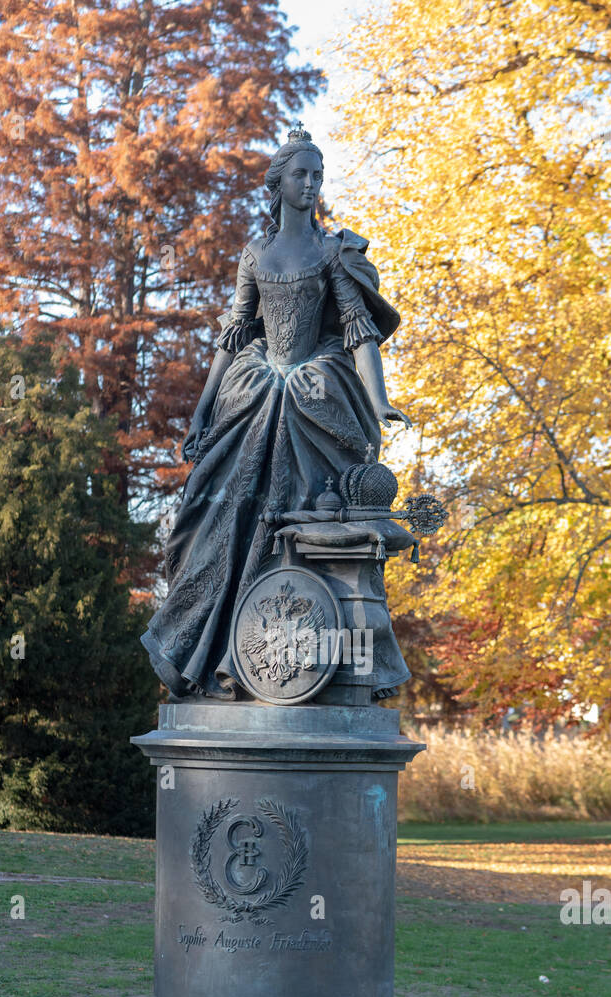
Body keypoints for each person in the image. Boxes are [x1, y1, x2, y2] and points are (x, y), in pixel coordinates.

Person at [141, 123, 411, 699]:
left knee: (305, 522)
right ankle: (217, 654)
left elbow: (360, 330)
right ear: (278, 183)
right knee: (224, 519)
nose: (310, 184)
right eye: (300, 175)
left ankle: (297, 658)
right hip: (252, 394)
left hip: (316, 394)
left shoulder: (334, 251)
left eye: (317, 176)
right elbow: (233, 337)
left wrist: (379, 399)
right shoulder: (255, 254)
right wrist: (200, 409)